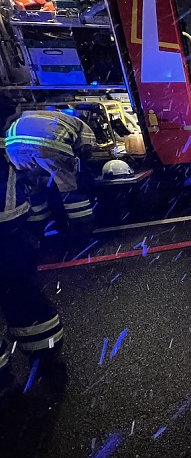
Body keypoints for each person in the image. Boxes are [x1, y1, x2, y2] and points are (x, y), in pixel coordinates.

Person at [0, 98, 64, 393]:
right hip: (11, 229)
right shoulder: (13, 135)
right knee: (24, 297)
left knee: (22, 296)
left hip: (10, 227)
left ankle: (10, 382)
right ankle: (47, 361)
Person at [4, 107, 97, 235]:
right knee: (70, 187)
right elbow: (86, 150)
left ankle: (39, 228)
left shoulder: (33, 115)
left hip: (13, 148)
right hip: (48, 145)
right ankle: (82, 228)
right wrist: (76, 169)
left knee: (34, 187)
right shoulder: (82, 126)